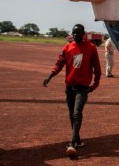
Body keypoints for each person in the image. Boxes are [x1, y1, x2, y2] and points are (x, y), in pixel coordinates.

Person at [43, 24, 102, 157]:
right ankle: (78, 140)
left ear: (84, 33)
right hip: (70, 87)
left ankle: (72, 143)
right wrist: (50, 75)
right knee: (71, 115)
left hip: (83, 87)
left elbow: (97, 69)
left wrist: (94, 85)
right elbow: (60, 63)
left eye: (78, 33)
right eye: (74, 33)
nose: (75, 36)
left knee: (76, 113)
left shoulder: (91, 48)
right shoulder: (68, 47)